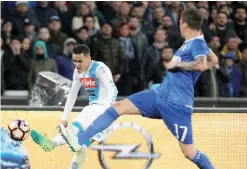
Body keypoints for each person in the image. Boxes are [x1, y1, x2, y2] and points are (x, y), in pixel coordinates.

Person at [60, 9, 218, 169]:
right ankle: (80, 141)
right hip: (160, 95)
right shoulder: (194, 42)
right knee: (118, 107)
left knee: (189, 153)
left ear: (183, 24)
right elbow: (214, 60)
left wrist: (177, 65)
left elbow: (201, 64)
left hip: (176, 105)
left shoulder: (197, 43)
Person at [30, 44, 118, 169]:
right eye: (74, 61)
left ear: (89, 59)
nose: (77, 65)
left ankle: (73, 143)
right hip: (92, 108)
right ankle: (51, 143)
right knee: (75, 133)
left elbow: (113, 90)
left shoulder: (100, 68)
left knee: (80, 140)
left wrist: (107, 112)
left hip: (106, 111)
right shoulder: (78, 72)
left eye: (80, 61)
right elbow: (72, 95)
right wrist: (64, 118)